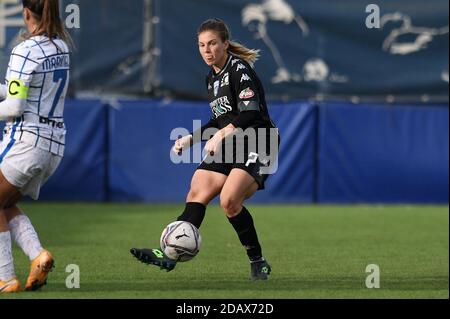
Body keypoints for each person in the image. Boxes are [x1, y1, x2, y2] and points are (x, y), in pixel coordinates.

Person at [131, 18, 279, 281]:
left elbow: (250, 112)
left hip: (259, 141)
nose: (207, 50)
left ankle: (258, 260)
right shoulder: (211, 77)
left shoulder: (239, 69)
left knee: (229, 201)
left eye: (212, 43)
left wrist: (221, 134)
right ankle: (170, 252)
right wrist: (192, 138)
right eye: (201, 45)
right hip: (231, 141)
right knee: (197, 189)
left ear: (224, 43)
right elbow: (219, 120)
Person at [0, 0, 71, 293]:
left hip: (26, 139)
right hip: (53, 144)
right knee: (4, 202)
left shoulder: (23, 49)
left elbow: (15, 105)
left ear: (26, 13)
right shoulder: (61, 47)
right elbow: (24, 91)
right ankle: (37, 255)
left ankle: (4, 277)